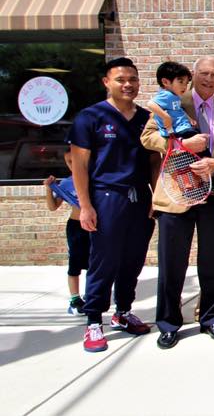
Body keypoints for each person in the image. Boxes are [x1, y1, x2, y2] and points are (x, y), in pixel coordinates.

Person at [141, 56, 214, 349]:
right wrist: (180, 144)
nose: (209, 79)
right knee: (172, 263)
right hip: (177, 193)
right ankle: (169, 324)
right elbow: (147, 137)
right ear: (193, 75)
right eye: (204, 73)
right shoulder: (172, 102)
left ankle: (212, 319)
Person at [69, 57, 155, 352]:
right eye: (121, 79)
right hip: (107, 197)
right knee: (104, 260)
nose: (128, 84)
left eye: (133, 79)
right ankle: (94, 321)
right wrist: (85, 206)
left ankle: (123, 311)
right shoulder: (90, 117)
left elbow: (154, 161)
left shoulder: (146, 118)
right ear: (107, 82)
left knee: (133, 259)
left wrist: (155, 196)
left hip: (139, 197)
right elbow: (79, 165)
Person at [42, 149, 88, 316]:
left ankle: (91, 295)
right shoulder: (67, 183)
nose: (73, 165)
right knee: (74, 263)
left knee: (95, 263)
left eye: (75, 161)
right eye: (69, 162)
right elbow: (53, 207)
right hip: (76, 226)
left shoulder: (95, 180)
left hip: (94, 226)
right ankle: (75, 300)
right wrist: (49, 188)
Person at [145, 62, 202, 146]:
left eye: (186, 83)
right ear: (165, 82)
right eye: (181, 82)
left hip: (181, 129)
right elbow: (150, 104)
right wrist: (165, 116)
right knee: (199, 142)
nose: (184, 86)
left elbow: (178, 109)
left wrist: (189, 118)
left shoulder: (175, 96)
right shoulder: (166, 95)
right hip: (177, 130)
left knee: (198, 139)